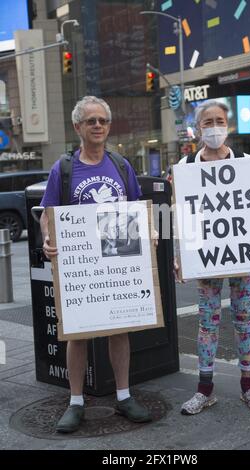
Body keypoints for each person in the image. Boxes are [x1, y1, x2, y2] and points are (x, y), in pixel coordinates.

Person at [40, 96, 152, 432]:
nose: (98, 126)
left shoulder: (120, 165)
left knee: (119, 330)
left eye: (103, 120)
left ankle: (123, 395)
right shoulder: (63, 169)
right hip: (80, 265)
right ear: (78, 127)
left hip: (116, 259)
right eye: (91, 121)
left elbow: (137, 209)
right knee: (78, 333)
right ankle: (75, 402)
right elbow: (49, 214)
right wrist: (48, 237)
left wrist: (151, 232)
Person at [175, 100, 250, 415]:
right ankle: (204, 389)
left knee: (245, 320)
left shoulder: (245, 162)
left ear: (227, 125)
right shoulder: (186, 167)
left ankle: (248, 385)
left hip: (241, 257)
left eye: (219, 120)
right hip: (206, 258)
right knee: (207, 323)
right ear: (198, 127)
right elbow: (182, 217)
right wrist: (181, 256)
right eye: (207, 122)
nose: (214, 127)